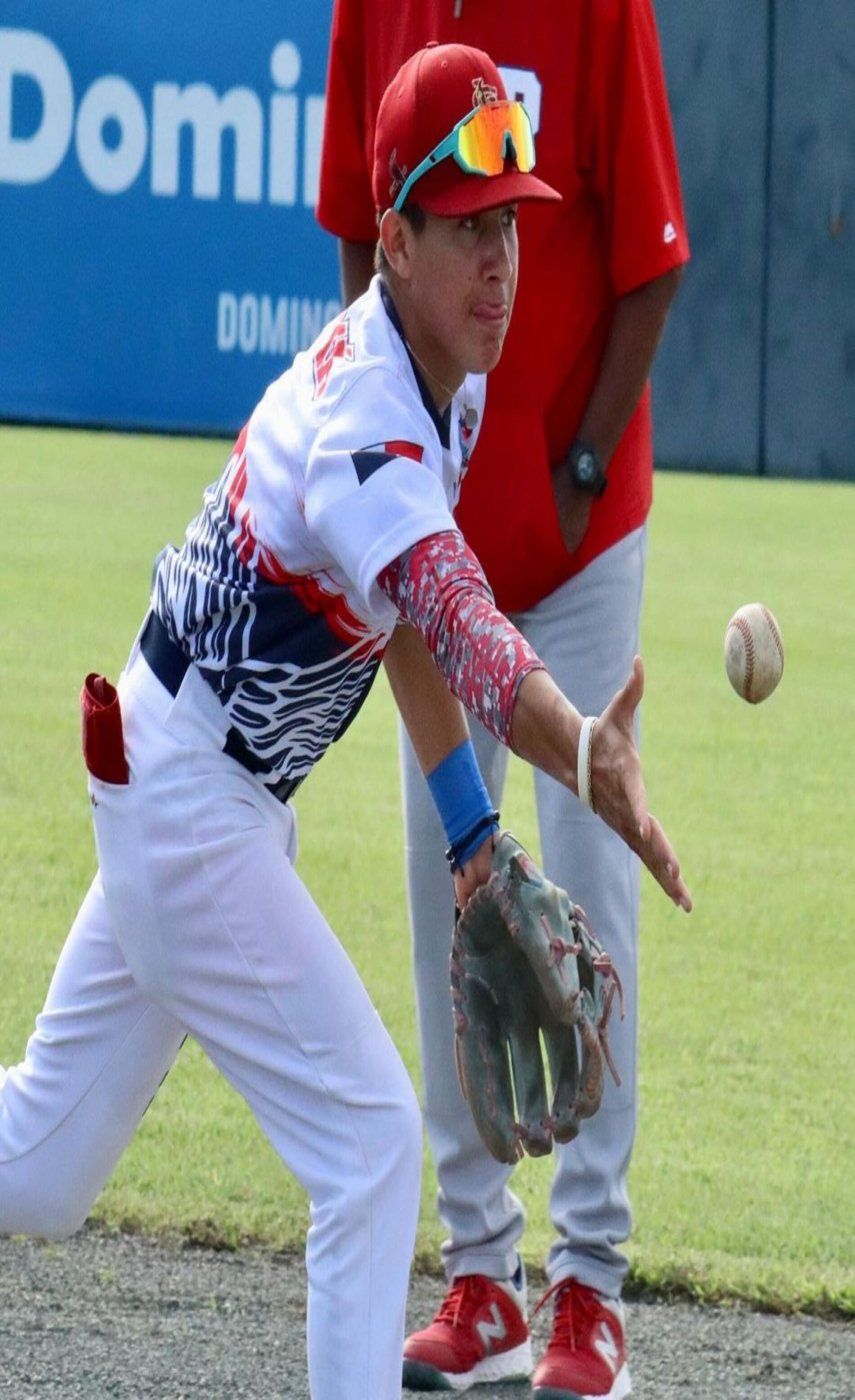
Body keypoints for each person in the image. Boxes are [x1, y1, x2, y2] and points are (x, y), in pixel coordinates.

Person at [0, 42, 689, 1400]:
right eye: (465, 228)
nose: (502, 262)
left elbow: (405, 629)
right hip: (192, 805)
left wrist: (477, 833)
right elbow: (466, 622)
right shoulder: (369, 423)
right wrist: (580, 752)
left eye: (511, 224)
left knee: (38, 1169)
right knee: (371, 1147)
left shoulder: (450, 375)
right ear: (393, 239)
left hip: (180, 783)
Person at [318, 5, 690, 1397]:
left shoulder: (606, 10)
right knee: (452, 892)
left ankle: (590, 1288)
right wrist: (403, 455)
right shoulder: (378, 9)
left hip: (579, 539)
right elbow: (362, 232)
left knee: (585, 890)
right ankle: (481, 1272)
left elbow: (653, 261)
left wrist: (574, 472)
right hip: (432, 531)